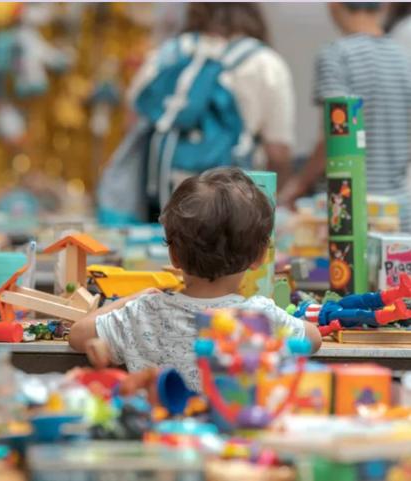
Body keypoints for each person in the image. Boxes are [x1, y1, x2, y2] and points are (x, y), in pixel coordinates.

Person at [70, 168, 322, 391]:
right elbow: (313, 339)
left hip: (160, 428)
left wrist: (133, 298)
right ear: (260, 257)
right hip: (236, 429)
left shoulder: (142, 312)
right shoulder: (260, 317)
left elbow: (78, 334)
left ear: (174, 255)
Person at [98, 3, 295, 225]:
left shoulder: (167, 54)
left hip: (160, 201)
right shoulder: (265, 63)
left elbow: (133, 123)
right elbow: (278, 152)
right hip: (232, 214)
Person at [279, 2, 411, 232]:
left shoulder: (337, 55)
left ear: (334, 5)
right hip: (397, 212)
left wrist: (298, 184)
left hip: (348, 209)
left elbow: (335, 134)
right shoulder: (404, 59)